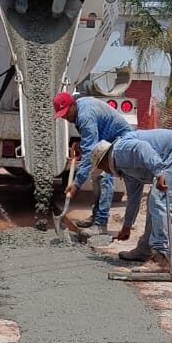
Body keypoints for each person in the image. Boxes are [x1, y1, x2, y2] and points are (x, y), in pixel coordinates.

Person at [90, 128, 172, 272]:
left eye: (102, 168)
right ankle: (144, 250)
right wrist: (127, 226)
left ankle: (161, 257)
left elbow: (142, 147)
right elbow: (133, 198)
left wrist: (159, 171)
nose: (106, 172)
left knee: (158, 199)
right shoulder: (124, 168)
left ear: (104, 160)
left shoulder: (120, 151)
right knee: (154, 201)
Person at [53, 92, 132, 236]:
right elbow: (90, 141)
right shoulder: (79, 109)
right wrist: (81, 146)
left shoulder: (85, 116)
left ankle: (101, 224)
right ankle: (96, 216)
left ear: (72, 105)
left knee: (104, 177)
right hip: (105, 139)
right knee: (96, 177)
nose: (65, 117)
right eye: (61, 114)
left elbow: (90, 152)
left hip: (120, 139)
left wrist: (76, 184)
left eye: (65, 113)